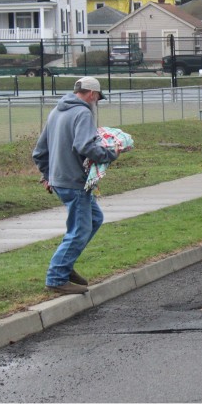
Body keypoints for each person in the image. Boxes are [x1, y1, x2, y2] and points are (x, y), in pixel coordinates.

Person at [32, 77, 119, 294]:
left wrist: (48, 175)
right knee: (80, 229)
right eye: (97, 97)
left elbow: (39, 152)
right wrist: (111, 153)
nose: (96, 101)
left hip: (60, 180)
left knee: (95, 219)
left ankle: (66, 262)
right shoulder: (83, 113)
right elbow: (85, 146)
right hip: (74, 182)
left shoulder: (56, 112)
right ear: (91, 94)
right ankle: (57, 277)